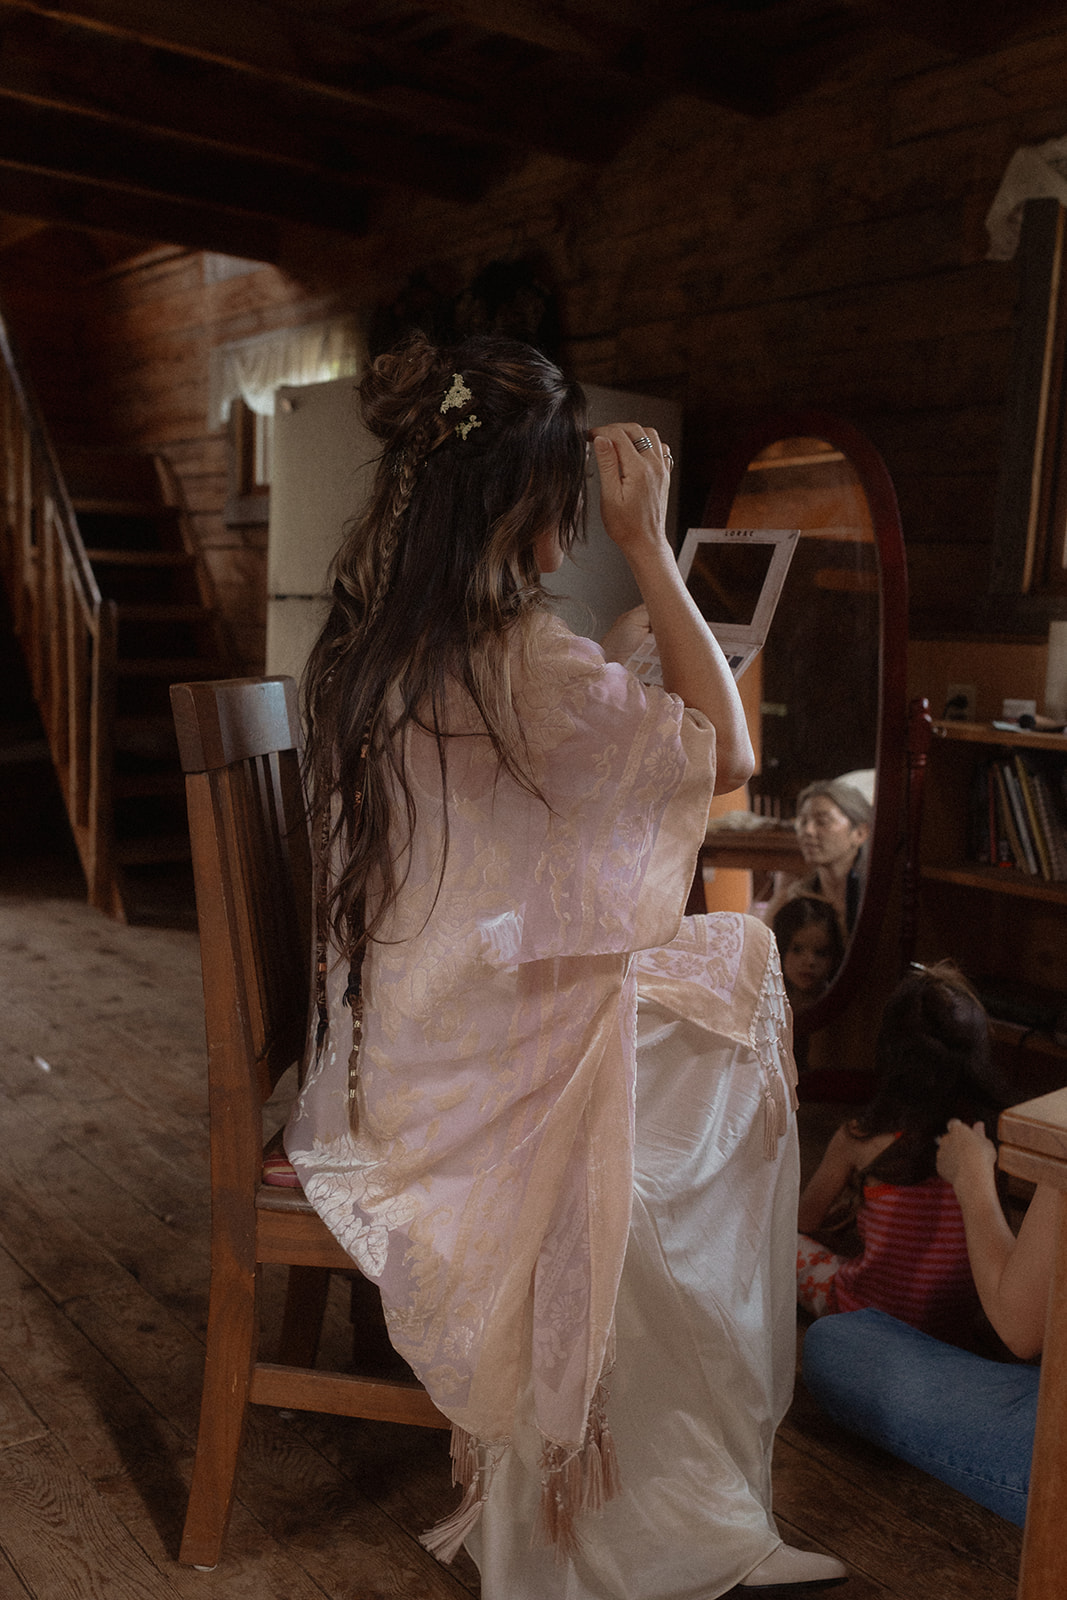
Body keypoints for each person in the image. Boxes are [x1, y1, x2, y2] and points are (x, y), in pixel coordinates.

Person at [283, 331, 848, 1595]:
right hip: (470, 1085)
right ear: (521, 504)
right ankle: (666, 1504)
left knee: (712, 990)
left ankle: (663, 1487)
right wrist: (652, 549)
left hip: (414, 1047)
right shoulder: (517, 657)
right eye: (562, 505)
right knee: (731, 1001)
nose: (575, 531)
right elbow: (729, 754)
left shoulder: (390, 637)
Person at [801, 1117, 1054, 1528]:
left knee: (836, 1340)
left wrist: (972, 1176)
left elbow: (1020, 1331)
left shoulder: (857, 1136)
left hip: (1046, 1437)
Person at [795, 961, 1008, 1344]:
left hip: (863, 1319)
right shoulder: (985, 1145)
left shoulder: (858, 1138)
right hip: (951, 1331)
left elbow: (806, 1220)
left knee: (787, 1243)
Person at [765, 779, 872, 941]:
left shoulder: (876, 898)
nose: (808, 831)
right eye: (802, 822)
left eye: (822, 822)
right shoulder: (791, 900)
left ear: (860, 833)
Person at [772, 895, 844, 1011]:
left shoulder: (837, 1006)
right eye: (797, 950)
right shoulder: (768, 1003)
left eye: (821, 953)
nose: (810, 962)